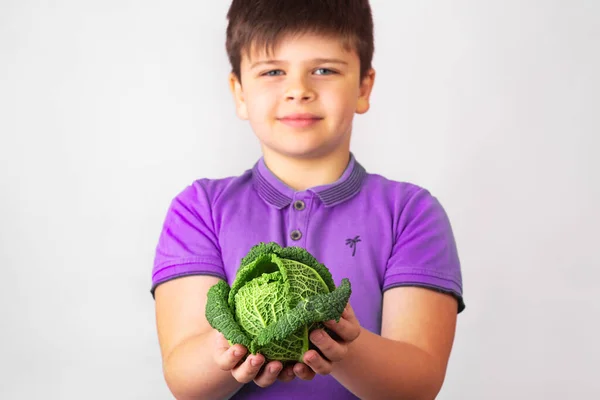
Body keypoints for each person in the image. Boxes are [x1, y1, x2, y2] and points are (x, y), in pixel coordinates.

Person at [151, 1, 465, 399]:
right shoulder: (199, 210)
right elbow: (185, 382)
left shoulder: (411, 214)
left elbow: (418, 386)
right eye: (273, 71)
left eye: (324, 70)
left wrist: (346, 348)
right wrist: (235, 346)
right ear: (239, 92)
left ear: (364, 88)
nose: (298, 90)